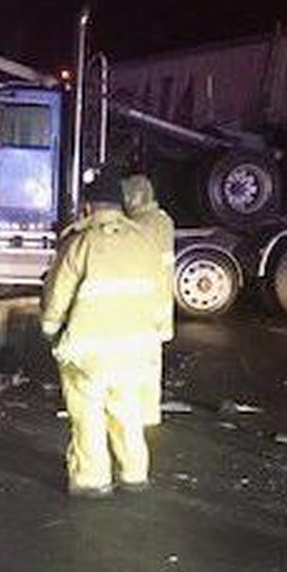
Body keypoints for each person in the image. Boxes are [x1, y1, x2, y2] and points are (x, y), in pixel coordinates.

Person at [41, 166, 162, 498]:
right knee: (126, 410)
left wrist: (50, 328)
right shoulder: (145, 241)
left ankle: (92, 480)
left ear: (89, 206)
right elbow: (160, 291)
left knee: (88, 414)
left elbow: (57, 295)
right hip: (135, 348)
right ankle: (135, 474)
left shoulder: (80, 243)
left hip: (89, 350)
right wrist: (158, 333)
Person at [122, 174, 176, 426]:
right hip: (161, 302)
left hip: (139, 303)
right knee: (152, 361)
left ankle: (133, 411)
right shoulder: (164, 221)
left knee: (133, 360)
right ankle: (149, 413)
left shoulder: (137, 226)